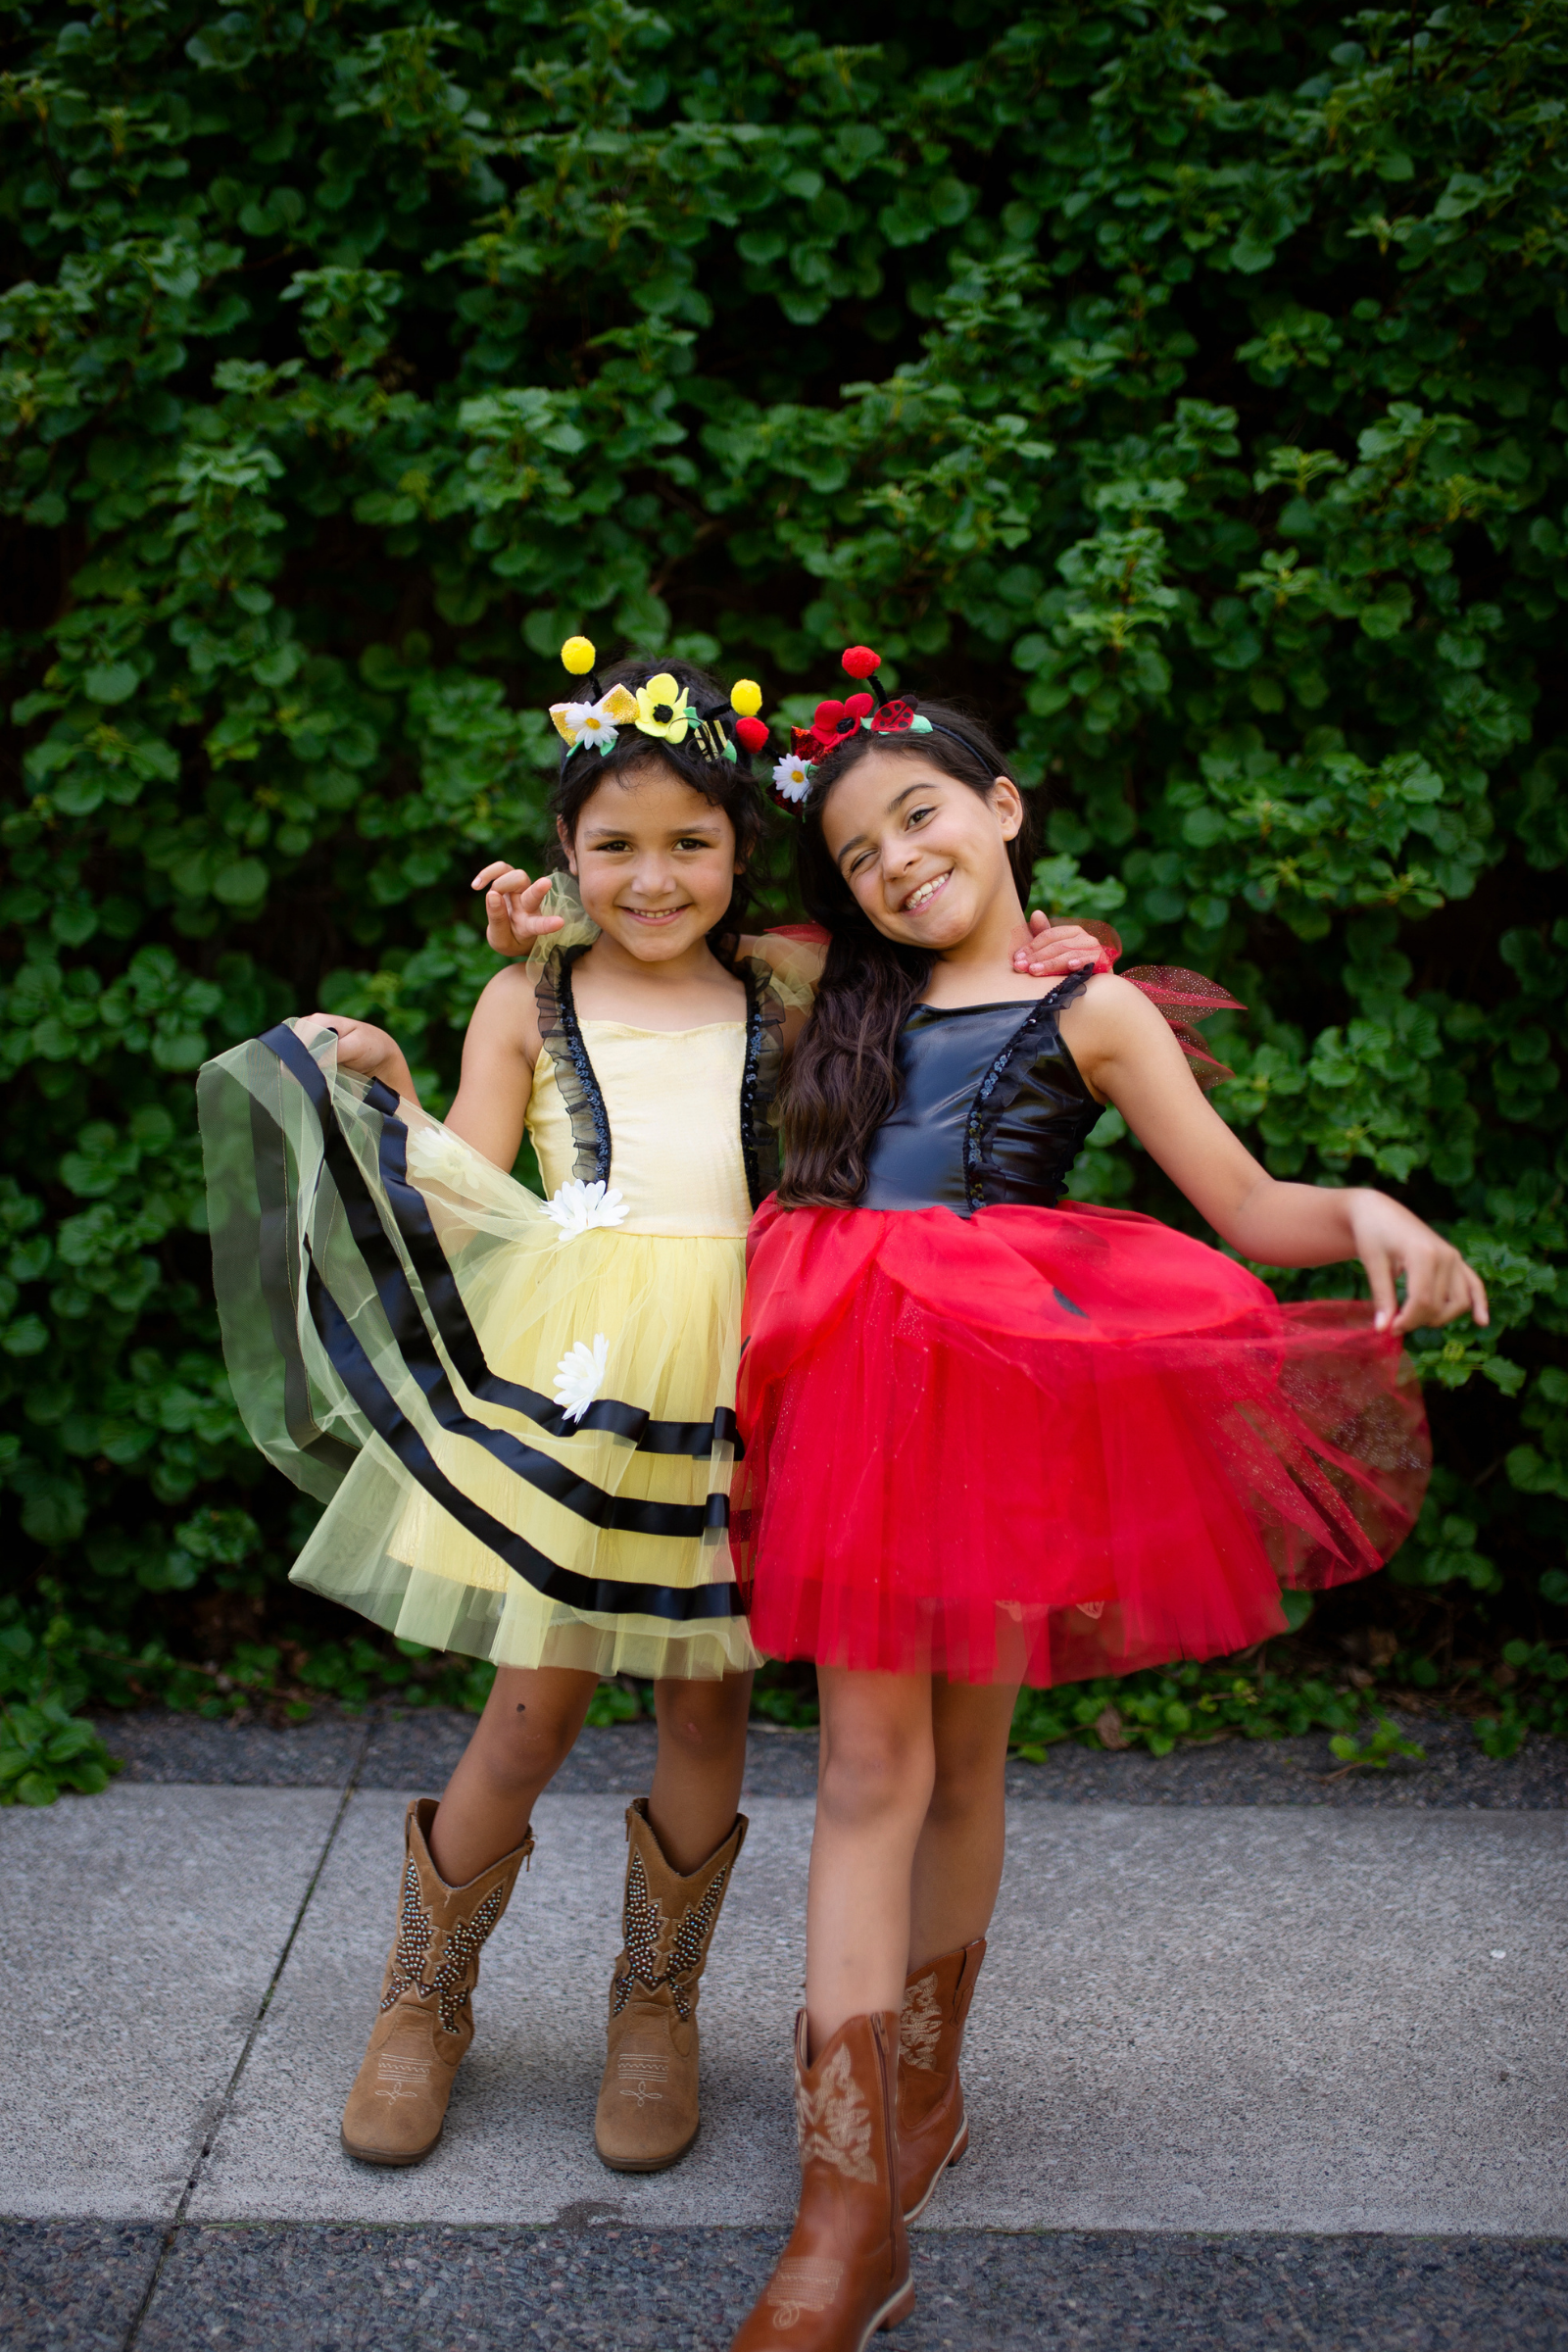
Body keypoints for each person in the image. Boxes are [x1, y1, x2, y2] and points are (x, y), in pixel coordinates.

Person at [197, 642, 1101, 2180]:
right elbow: (476, 1189)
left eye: (691, 843)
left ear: (743, 853)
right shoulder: (525, 998)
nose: (654, 876)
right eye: (613, 846)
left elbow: (934, 964)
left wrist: (1061, 943)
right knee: (532, 1708)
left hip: (755, 1377)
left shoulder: (792, 980)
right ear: (561, 857)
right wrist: (396, 1079)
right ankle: (425, 1997)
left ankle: (655, 2006)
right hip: (586, 1382)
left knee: (706, 1705)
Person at [727, 649, 1488, 2350]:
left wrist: (1360, 1202)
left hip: (1006, 1397)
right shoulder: (821, 990)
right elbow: (643, 900)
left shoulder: (1096, 1008)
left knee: (968, 1757)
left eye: (921, 817)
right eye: (856, 851)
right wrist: (518, 925)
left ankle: (925, 2088)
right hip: (848, 1387)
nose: (896, 863)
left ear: (999, 810)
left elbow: (1242, 1199)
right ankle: (842, 2219)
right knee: (869, 1763)